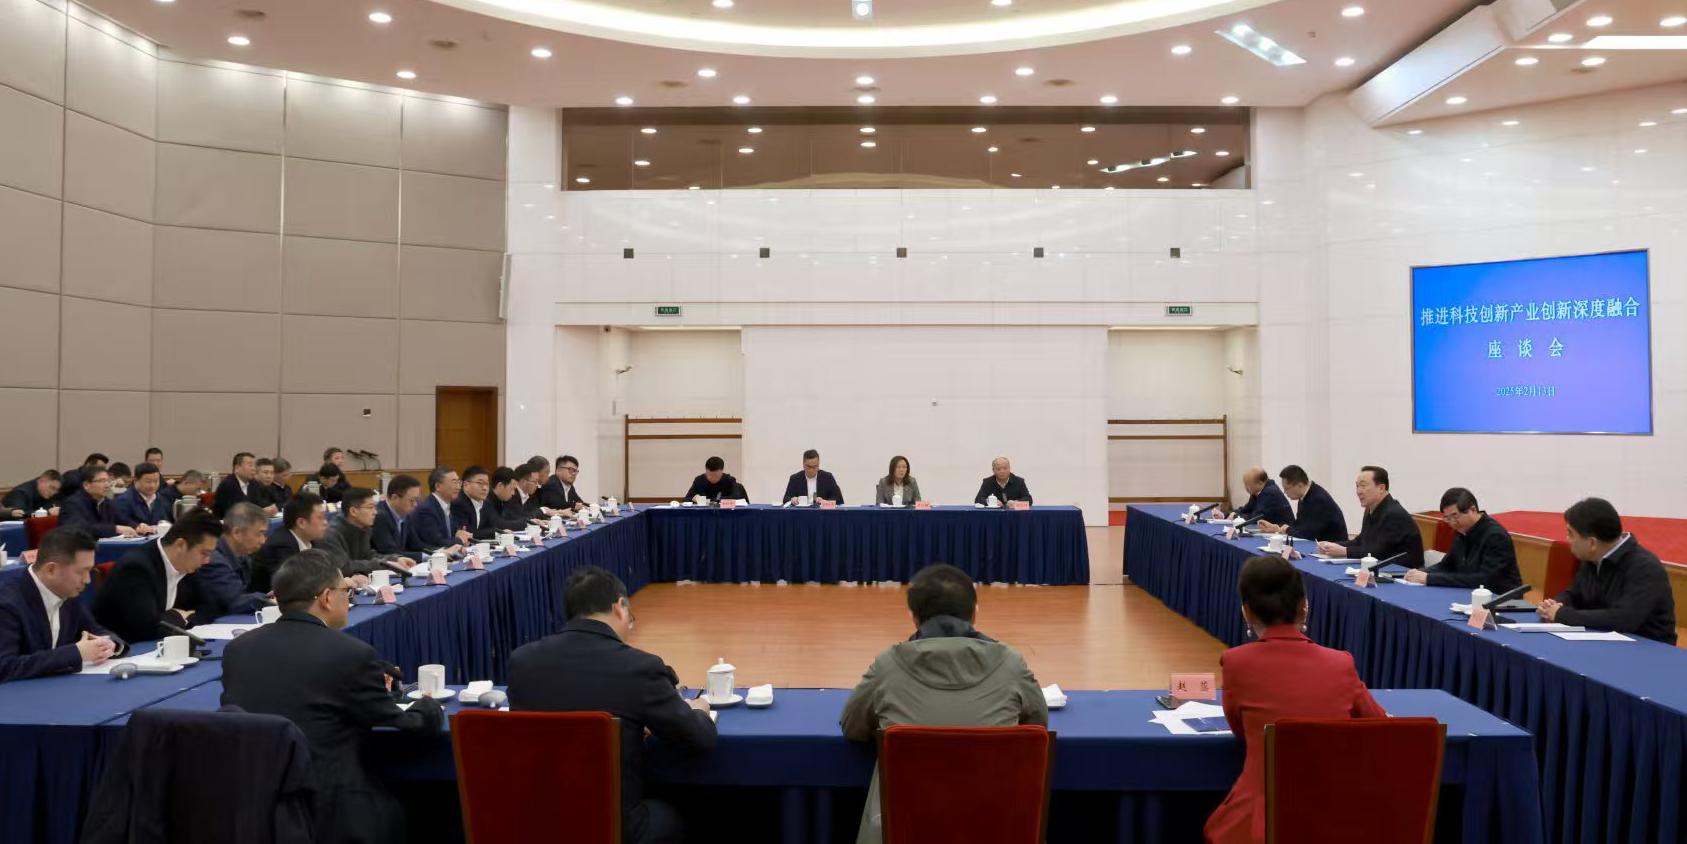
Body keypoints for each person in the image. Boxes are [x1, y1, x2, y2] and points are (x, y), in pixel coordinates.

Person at [222, 550, 444, 844]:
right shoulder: (351, 653)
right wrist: (428, 704)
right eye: (345, 591)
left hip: (251, 801)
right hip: (329, 806)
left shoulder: (238, 649)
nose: (348, 599)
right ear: (327, 598)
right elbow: (405, 723)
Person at [840, 563, 1047, 844]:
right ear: (975, 613)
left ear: (914, 618)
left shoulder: (887, 666)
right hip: (994, 828)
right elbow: (1037, 726)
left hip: (908, 831)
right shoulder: (1012, 665)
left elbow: (853, 727)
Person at [508, 566, 716, 844]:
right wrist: (699, 710)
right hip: (613, 829)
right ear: (619, 607)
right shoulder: (639, 667)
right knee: (689, 811)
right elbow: (698, 739)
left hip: (534, 825)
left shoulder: (522, 662)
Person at [1204, 555, 1386, 844]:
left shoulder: (1237, 662)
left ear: (1246, 612)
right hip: (1332, 817)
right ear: (1304, 606)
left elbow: (1241, 731)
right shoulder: (1340, 663)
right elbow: (1378, 724)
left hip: (1262, 820)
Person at [1538, 497, 1677, 644]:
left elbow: (1624, 618)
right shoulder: (1591, 558)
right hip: (1605, 640)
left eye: (1571, 534)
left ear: (1592, 543)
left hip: (1648, 648)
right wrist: (1555, 604)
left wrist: (1562, 615)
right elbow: (1574, 594)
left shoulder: (1645, 567)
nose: (1568, 539)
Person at [0, 527, 123, 683]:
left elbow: (93, 629)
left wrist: (109, 644)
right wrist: (75, 653)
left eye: (90, 571)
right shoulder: (7, 604)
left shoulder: (67, 590)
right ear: (51, 569)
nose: (87, 580)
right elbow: (5, 667)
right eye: (81, 572)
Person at [91, 510, 223, 643]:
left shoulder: (186, 564)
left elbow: (211, 606)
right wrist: (179, 616)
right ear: (180, 545)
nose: (207, 561)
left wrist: (185, 619)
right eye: (204, 553)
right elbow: (149, 629)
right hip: (124, 649)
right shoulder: (136, 568)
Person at [1403, 488, 1522, 592]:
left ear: (1472, 510)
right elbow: (1446, 566)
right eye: (1447, 518)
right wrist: (1421, 573)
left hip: (1499, 598)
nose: (1452, 523)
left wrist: (1429, 579)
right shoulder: (1462, 531)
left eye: (1455, 516)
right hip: (1467, 591)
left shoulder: (1495, 536)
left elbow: (1484, 580)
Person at [1315, 466, 1423, 568]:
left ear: (1381, 488)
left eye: (1363, 486)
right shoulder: (1370, 509)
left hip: (1403, 572)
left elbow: (1379, 552)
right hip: (1380, 568)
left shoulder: (1394, 514)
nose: (1358, 491)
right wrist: (1332, 545)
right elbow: (1361, 541)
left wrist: (1345, 551)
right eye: (1357, 486)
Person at [178, 502, 272, 619]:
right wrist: (268, 600)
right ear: (237, 533)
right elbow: (233, 602)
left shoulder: (243, 557)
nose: (263, 541)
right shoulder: (211, 559)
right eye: (259, 534)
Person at [321, 487, 414, 579]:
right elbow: (344, 567)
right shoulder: (331, 534)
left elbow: (367, 555)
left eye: (375, 507)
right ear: (353, 511)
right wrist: (384, 565)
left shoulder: (363, 528)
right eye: (370, 507)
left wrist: (395, 559)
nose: (375, 512)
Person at [250, 492, 329, 594]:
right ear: (301, 523)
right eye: (320, 517)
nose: (325, 522)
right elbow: (291, 586)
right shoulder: (280, 545)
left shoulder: (313, 540)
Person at [1258, 465, 1347, 543]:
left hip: (1333, 548)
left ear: (1299, 485)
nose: (1285, 492)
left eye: (1287, 488)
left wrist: (1287, 529)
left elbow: (1308, 534)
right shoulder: (1305, 496)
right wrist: (1277, 528)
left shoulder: (1318, 500)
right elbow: (1299, 526)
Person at [60, 465, 147, 539]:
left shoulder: (107, 503)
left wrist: (138, 526)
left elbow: (123, 521)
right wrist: (115, 529)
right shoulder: (73, 503)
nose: (107, 485)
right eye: (101, 481)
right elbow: (81, 528)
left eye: (108, 481)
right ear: (86, 485)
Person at [414, 467, 473, 551]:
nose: (458, 487)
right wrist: (460, 540)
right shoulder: (426, 509)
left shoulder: (449, 505)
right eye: (454, 482)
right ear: (438, 486)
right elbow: (436, 542)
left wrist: (460, 534)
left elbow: (452, 535)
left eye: (459, 482)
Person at [372, 474, 423, 558]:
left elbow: (416, 545)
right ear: (394, 497)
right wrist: (424, 556)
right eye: (411, 500)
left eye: (417, 500)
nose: (415, 504)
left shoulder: (405, 514)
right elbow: (390, 552)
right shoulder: (380, 516)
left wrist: (437, 553)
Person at [213, 452, 274, 518]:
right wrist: (260, 512)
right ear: (237, 468)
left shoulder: (253, 484)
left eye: (254, 466)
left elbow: (259, 504)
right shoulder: (227, 485)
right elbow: (234, 511)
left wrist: (269, 509)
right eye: (250, 465)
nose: (253, 469)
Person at [112, 462, 170, 528]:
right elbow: (122, 523)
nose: (152, 485)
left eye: (156, 481)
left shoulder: (161, 499)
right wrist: (137, 526)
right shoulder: (123, 501)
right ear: (135, 480)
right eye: (148, 482)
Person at [450, 466, 499, 540]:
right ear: (466, 485)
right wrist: (493, 532)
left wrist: (493, 532)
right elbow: (467, 532)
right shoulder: (458, 503)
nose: (485, 488)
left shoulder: (487, 503)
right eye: (480, 483)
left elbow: (494, 526)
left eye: (487, 484)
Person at [487, 466, 536, 531]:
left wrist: (530, 521)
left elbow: (515, 517)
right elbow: (499, 524)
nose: (513, 493)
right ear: (500, 485)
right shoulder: (486, 501)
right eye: (512, 489)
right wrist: (527, 523)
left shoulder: (504, 500)